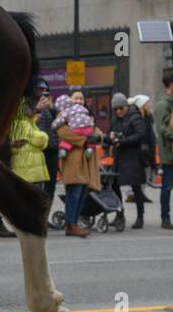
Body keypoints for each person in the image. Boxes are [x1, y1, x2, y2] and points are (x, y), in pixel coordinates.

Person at [58, 108, 103, 238]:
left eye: (81, 97)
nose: (79, 99)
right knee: (75, 192)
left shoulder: (86, 115)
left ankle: (74, 223)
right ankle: (71, 225)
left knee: (82, 192)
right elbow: (63, 133)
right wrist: (85, 139)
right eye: (76, 97)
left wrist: (96, 137)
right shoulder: (65, 116)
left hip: (87, 162)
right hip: (73, 159)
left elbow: (97, 132)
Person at [110, 93, 149, 230]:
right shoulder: (115, 119)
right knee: (114, 185)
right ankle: (119, 214)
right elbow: (111, 132)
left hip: (133, 157)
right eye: (115, 109)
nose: (118, 111)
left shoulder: (135, 116)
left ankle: (140, 217)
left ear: (126, 106)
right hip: (119, 157)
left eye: (120, 108)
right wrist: (111, 136)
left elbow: (140, 134)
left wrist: (123, 141)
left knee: (136, 187)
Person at [8, 100, 50, 198]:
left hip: (28, 170)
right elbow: (41, 139)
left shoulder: (27, 122)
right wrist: (41, 136)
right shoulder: (21, 123)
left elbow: (41, 144)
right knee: (31, 201)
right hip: (28, 171)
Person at [34, 78, 59, 208]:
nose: (43, 93)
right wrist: (36, 109)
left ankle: (45, 216)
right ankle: (37, 215)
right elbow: (25, 121)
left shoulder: (52, 107)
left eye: (45, 91)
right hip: (38, 150)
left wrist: (53, 108)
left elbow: (61, 122)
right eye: (40, 90)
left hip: (53, 149)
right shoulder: (29, 104)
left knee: (51, 185)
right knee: (37, 186)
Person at [154, 70, 173, 230]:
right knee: (167, 186)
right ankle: (165, 218)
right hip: (169, 154)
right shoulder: (163, 104)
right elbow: (161, 128)